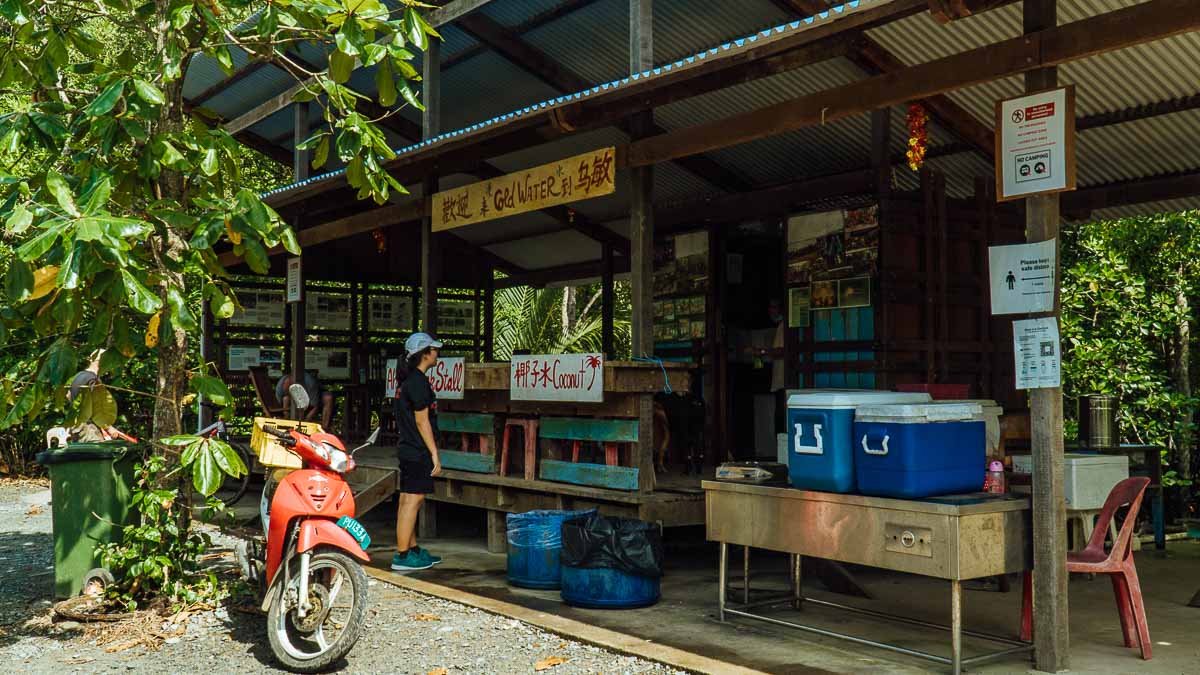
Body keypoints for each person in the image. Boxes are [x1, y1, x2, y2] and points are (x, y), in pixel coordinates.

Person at [390, 332, 445, 572]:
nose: (437, 353)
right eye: (434, 350)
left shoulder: (407, 382)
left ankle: (411, 549)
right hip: (416, 449)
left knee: (407, 499)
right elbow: (422, 422)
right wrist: (434, 453)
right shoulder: (418, 383)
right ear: (425, 354)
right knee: (413, 500)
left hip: (407, 448)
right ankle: (402, 556)